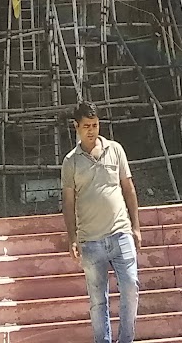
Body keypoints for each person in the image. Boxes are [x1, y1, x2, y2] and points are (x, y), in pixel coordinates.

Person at [61, 101, 140, 343]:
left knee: (131, 289)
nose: (92, 130)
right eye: (86, 126)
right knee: (97, 300)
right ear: (76, 127)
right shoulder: (71, 161)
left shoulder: (115, 150)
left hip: (120, 233)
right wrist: (72, 238)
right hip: (90, 241)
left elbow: (128, 188)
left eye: (95, 125)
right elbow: (68, 202)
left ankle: (125, 339)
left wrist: (136, 226)